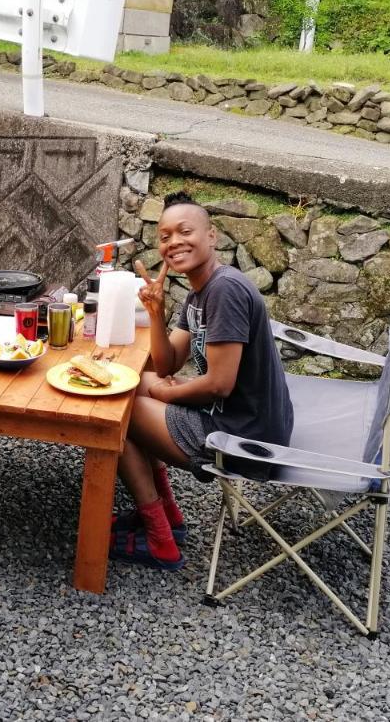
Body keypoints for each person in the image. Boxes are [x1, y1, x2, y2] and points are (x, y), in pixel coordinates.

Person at [109, 192, 295, 570]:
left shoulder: (225, 290)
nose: (173, 242)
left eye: (184, 231)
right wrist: (156, 311)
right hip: (240, 416)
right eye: (164, 236)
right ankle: (169, 518)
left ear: (212, 236)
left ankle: (160, 539)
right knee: (127, 380)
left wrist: (165, 393)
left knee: (116, 411)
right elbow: (165, 365)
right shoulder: (198, 292)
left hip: (245, 434)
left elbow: (218, 385)